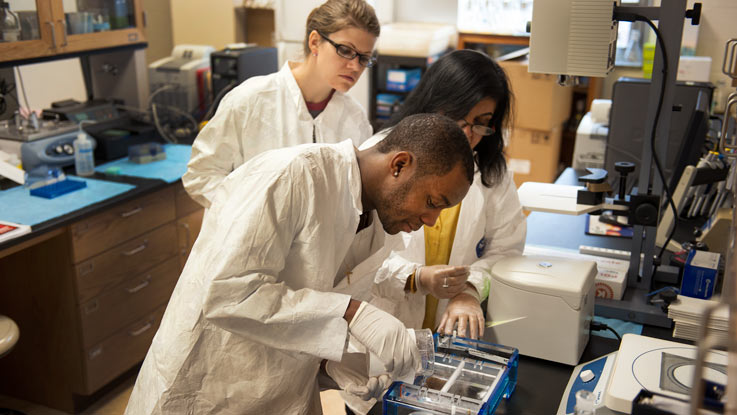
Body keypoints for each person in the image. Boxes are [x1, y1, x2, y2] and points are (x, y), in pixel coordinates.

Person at [124, 113, 476, 415]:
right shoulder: (292, 176)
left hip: (284, 393)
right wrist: (352, 312)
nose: (431, 220)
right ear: (399, 165)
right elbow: (228, 293)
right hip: (210, 388)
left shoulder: (378, 223)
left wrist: (341, 361)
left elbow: (304, 305)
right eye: (432, 202)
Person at [339, 48, 527, 415]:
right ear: (433, 103)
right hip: (381, 340)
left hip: (452, 350)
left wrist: (469, 289)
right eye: (459, 118)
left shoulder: (491, 172)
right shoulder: (379, 157)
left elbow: (506, 250)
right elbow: (350, 262)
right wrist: (415, 278)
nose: (468, 134)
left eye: (482, 122)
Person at [182, 0, 379, 208]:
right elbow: (201, 175)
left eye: (364, 58)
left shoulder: (354, 117)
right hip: (253, 238)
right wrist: (251, 213)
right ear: (314, 42)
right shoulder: (250, 101)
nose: (355, 66)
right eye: (346, 50)